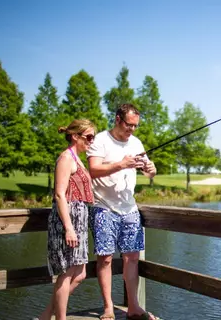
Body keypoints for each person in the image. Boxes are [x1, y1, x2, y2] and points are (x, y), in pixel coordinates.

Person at [86, 103, 159, 320]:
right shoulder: (100, 140)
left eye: (136, 126)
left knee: (132, 258)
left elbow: (146, 171)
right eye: (129, 125)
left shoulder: (136, 143)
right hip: (104, 208)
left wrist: (151, 171)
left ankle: (134, 307)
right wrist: (121, 164)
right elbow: (93, 170)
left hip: (129, 209)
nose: (133, 130)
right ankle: (108, 307)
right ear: (118, 119)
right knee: (105, 259)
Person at [39, 119, 96, 320]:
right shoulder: (66, 158)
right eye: (89, 137)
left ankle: (47, 315)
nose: (91, 141)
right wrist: (69, 228)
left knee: (80, 274)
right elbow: (60, 195)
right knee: (66, 273)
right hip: (68, 220)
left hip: (79, 219)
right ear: (75, 136)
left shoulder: (77, 158)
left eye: (93, 137)